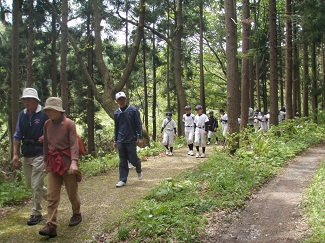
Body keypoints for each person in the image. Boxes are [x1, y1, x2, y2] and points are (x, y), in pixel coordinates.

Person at [39, 97, 82, 238]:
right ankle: (51, 224)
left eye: (50, 109)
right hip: (52, 162)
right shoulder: (46, 124)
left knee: (72, 193)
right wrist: (46, 162)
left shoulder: (69, 124)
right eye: (46, 110)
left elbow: (74, 144)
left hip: (67, 162)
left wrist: (74, 162)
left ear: (58, 110)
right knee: (52, 195)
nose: (48, 112)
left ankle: (76, 213)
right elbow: (46, 144)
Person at [12, 88, 48, 226]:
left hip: (40, 152)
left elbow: (54, 127)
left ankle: (36, 213)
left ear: (36, 100)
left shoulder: (44, 113)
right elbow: (17, 135)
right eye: (24, 99)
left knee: (35, 184)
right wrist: (15, 154)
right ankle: (52, 197)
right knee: (31, 184)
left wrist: (47, 136)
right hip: (26, 152)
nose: (26, 102)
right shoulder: (22, 115)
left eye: (28, 99)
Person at [113, 92, 143, 188]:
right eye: (119, 100)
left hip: (131, 138)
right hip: (121, 139)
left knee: (133, 159)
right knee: (122, 160)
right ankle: (122, 180)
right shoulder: (116, 113)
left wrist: (140, 137)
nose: (121, 101)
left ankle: (138, 166)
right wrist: (115, 140)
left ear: (125, 99)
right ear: (117, 101)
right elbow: (116, 127)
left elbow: (138, 124)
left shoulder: (133, 110)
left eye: (123, 99)